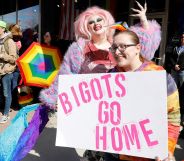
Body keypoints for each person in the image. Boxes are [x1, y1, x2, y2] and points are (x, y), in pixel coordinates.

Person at [39, 2, 161, 109]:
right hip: (87, 105)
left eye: (99, 20)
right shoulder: (78, 49)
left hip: (115, 105)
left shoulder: (119, 45)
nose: (96, 23)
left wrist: (144, 21)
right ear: (87, 28)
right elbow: (66, 74)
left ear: (106, 22)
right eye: (91, 22)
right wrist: (57, 98)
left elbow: (141, 51)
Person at [105, 30, 180, 161]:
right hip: (112, 154)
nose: (117, 52)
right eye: (114, 47)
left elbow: (172, 118)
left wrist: (167, 149)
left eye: (122, 46)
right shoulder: (109, 76)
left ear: (137, 48)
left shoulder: (159, 76)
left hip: (145, 156)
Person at [0, 20, 18, 123]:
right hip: (0, 72)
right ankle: (6, 109)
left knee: (7, 93)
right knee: (2, 93)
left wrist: (2, 56)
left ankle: (6, 114)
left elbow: (13, 59)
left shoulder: (9, 41)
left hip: (7, 71)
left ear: (3, 29)